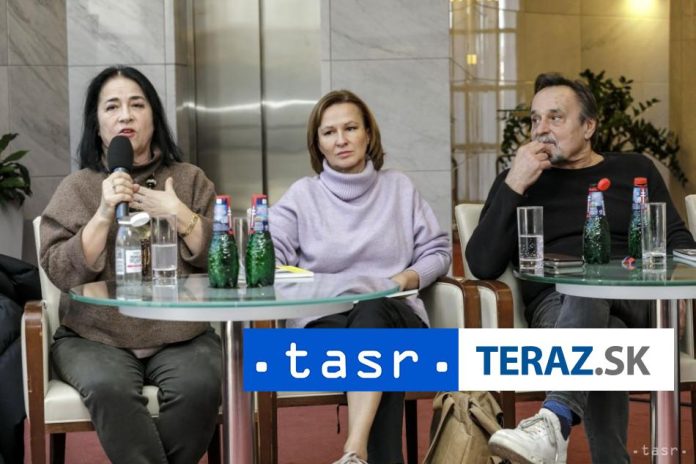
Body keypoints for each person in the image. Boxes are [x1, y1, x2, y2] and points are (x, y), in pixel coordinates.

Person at [466, 72, 696, 464]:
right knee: (604, 330)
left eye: (555, 117)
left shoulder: (634, 169)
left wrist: (676, 290)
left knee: (593, 286)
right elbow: (481, 264)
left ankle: (554, 421)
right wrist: (515, 183)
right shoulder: (518, 180)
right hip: (557, 308)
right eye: (535, 119)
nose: (541, 129)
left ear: (588, 126)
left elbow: (679, 241)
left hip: (639, 301)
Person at [40, 66, 221, 464]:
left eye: (137, 105)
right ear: (97, 124)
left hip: (182, 334)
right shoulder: (77, 187)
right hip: (94, 336)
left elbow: (223, 261)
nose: (125, 115)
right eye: (112, 107)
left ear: (154, 117)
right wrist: (104, 212)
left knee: (200, 387)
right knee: (109, 388)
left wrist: (180, 214)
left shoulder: (189, 180)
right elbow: (60, 271)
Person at [270, 89, 451, 464]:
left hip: (396, 315)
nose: (341, 140)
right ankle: (358, 453)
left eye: (350, 128)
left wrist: (404, 279)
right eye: (329, 132)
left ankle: (355, 449)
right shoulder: (302, 196)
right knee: (376, 345)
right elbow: (268, 259)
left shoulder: (399, 188)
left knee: (373, 314)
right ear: (318, 144)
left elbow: (438, 252)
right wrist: (315, 285)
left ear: (369, 133)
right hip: (324, 322)